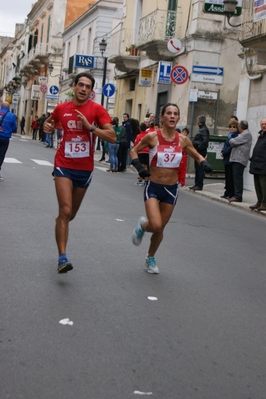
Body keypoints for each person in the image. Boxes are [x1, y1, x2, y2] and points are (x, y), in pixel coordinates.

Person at [43, 72, 115, 273]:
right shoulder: (62, 108)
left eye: (88, 86)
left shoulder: (97, 109)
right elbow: (48, 122)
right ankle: (62, 258)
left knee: (70, 214)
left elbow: (112, 137)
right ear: (74, 86)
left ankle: (61, 222)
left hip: (84, 168)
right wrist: (47, 126)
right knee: (65, 210)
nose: (83, 89)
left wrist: (91, 128)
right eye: (80, 85)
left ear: (91, 91)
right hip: (63, 164)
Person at [130, 103, 212, 274]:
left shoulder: (182, 140)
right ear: (162, 117)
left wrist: (203, 163)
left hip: (171, 189)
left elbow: (194, 153)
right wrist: (139, 167)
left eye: (175, 113)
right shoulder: (153, 137)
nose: (172, 116)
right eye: (169, 113)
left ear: (178, 118)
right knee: (156, 224)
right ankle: (143, 226)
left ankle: (150, 257)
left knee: (160, 228)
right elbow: (134, 151)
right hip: (153, 186)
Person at [228, 120, 252, 203]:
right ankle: (236, 195)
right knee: (236, 178)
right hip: (237, 158)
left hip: (239, 159)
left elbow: (232, 141)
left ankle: (238, 196)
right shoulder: (243, 134)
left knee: (237, 178)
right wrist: (235, 143)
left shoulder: (246, 134)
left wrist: (234, 141)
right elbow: (234, 142)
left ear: (240, 127)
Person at [249, 118, 266, 211]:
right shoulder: (261, 136)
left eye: (265, 124)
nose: (263, 126)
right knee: (257, 185)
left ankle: (264, 203)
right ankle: (259, 202)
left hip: (263, 165)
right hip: (256, 164)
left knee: (264, 186)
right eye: (262, 124)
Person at [190, 115, 210, 191]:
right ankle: (196, 184)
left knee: (200, 168)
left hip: (201, 151)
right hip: (198, 150)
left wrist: (198, 146)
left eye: (198, 120)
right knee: (197, 168)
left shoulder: (204, 130)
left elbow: (205, 141)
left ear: (200, 121)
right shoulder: (201, 129)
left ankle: (199, 184)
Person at [220, 120, 239, 199]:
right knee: (227, 177)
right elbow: (225, 145)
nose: (232, 128)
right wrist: (222, 151)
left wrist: (224, 153)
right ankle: (227, 192)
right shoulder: (229, 135)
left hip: (230, 158)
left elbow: (231, 147)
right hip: (226, 158)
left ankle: (230, 193)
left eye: (234, 127)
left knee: (230, 177)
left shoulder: (236, 135)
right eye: (230, 127)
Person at [0, 101, 17, 181]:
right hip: (4, 138)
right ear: (9, 107)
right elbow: (14, 128)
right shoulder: (11, 116)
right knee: (1, 155)